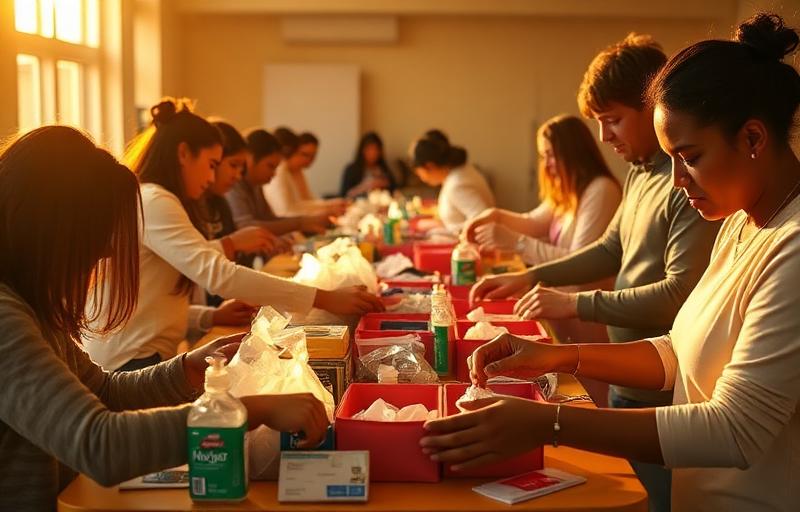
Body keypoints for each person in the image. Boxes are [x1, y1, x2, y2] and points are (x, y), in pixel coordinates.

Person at [426, 13, 800, 511]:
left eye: (688, 157)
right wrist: (563, 356)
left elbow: (736, 429)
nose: (676, 180)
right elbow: (679, 350)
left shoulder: (792, 247)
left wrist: (549, 422)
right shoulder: (741, 222)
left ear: (753, 139)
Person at [0, 125, 330, 510]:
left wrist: (187, 369)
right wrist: (249, 411)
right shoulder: (6, 319)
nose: (106, 251)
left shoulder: (29, 304)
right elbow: (98, 443)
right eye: (95, 235)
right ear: (52, 229)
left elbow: (103, 392)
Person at [470, 34, 723, 511]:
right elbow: (610, 249)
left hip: (663, 378)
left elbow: (676, 294)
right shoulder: (641, 173)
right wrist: (529, 278)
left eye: (613, 121)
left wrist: (574, 303)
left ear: (655, 107)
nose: (606, 138)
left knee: (661, 497)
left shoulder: (685, 185)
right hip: (625, 369)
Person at [83, 99, 383, 372]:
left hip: (137, 355)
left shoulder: (153, 198)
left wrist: (208, 317)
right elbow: (218, 275)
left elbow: (150, 298)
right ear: (184, 153)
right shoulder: (154, 200)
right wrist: (326, 298)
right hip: (129, 363)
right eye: (212, 165)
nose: (212, 178)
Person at [464, 114, 621, 346]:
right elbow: (533, 222)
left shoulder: (601, 190)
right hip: (560, 307)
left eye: (551, 155)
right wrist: (495, 216)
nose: (546, 164)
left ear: (573, 152)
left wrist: (516, 242)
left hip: (585, 317)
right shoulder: (568, 189)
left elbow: (579, 261)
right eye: (543, 156)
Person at [226, 128, 330, 236]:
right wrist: (300, 223)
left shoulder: (256, 186)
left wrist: (289, 232)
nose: (274, 174)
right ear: (250, 159)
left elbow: (269, 218)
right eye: (270, 166)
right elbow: (245, 226)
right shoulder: (234, 184)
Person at [412, 135, 495, 232]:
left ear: (430, 166)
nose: (421, 178)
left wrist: (442, 226)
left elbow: (483, 221)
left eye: (419, 173)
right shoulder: (458, 172)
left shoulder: (457, 184)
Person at [264, 128, 346, 217]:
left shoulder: (296, 171)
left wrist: (331, 205)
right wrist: (327, 210)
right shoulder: (280, 169)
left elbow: (304, 202)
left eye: (313, 156)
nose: (309, 160)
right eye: (305, 155)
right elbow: (284, 212)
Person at [340, 131, 396, 198]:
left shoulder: (384, 170)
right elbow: (344, 196)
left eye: (375, 149)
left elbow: (395, 190)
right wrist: (366, 186)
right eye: (369, 149)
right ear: (362, 150)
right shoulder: (352, 170)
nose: (372, 153)